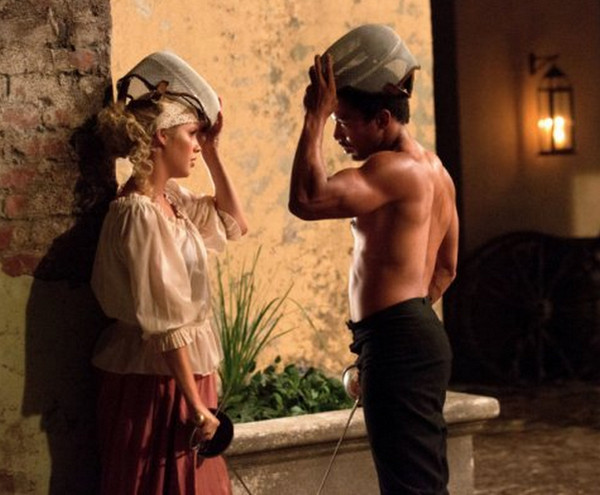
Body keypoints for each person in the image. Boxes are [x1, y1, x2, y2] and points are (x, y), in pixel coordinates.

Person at [289, 24, 458, 495]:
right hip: (411, 335)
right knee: (418, 482)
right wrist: (398, 331)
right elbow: (446, 268)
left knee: (410, 487)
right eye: (333, 120)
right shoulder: (437, 171)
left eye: (344, 120)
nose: (337, 133)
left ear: (383, 118)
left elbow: (307, 199)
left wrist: (314, 116)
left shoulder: (391, 169)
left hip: (399, 339)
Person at [90, 51, 247, 494]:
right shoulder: (138, 213)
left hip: (184, 375)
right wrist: (195, 407)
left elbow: (235, 224)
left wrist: (213, 152)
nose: (197, 144)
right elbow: (166, 321)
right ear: (162, 136)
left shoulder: (172, 200)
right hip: (155, 381)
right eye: (193, 134)